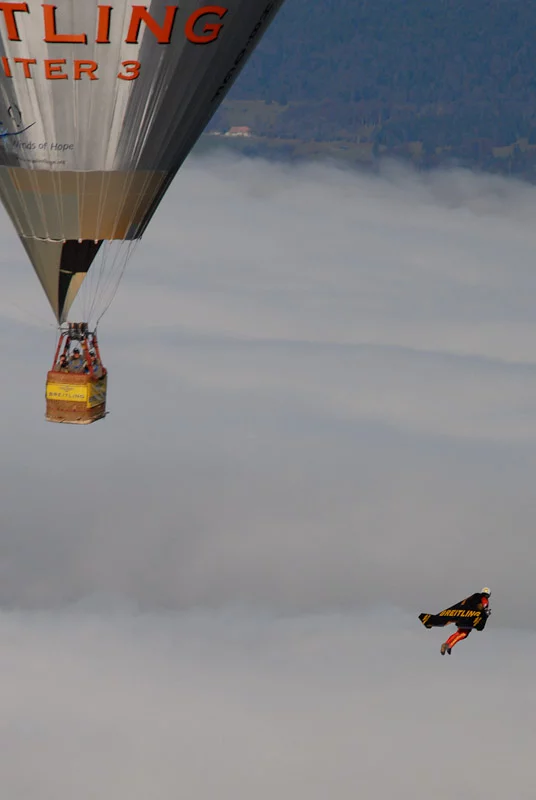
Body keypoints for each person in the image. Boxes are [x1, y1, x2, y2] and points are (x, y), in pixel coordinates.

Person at [440, 587, 491, 655]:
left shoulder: (474, 596)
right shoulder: (484, 599)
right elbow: (484, 607)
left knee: (458, 632)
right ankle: (450, 646)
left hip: (463, 616)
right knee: (464, 634)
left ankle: (446, 644)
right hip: (470, 619)